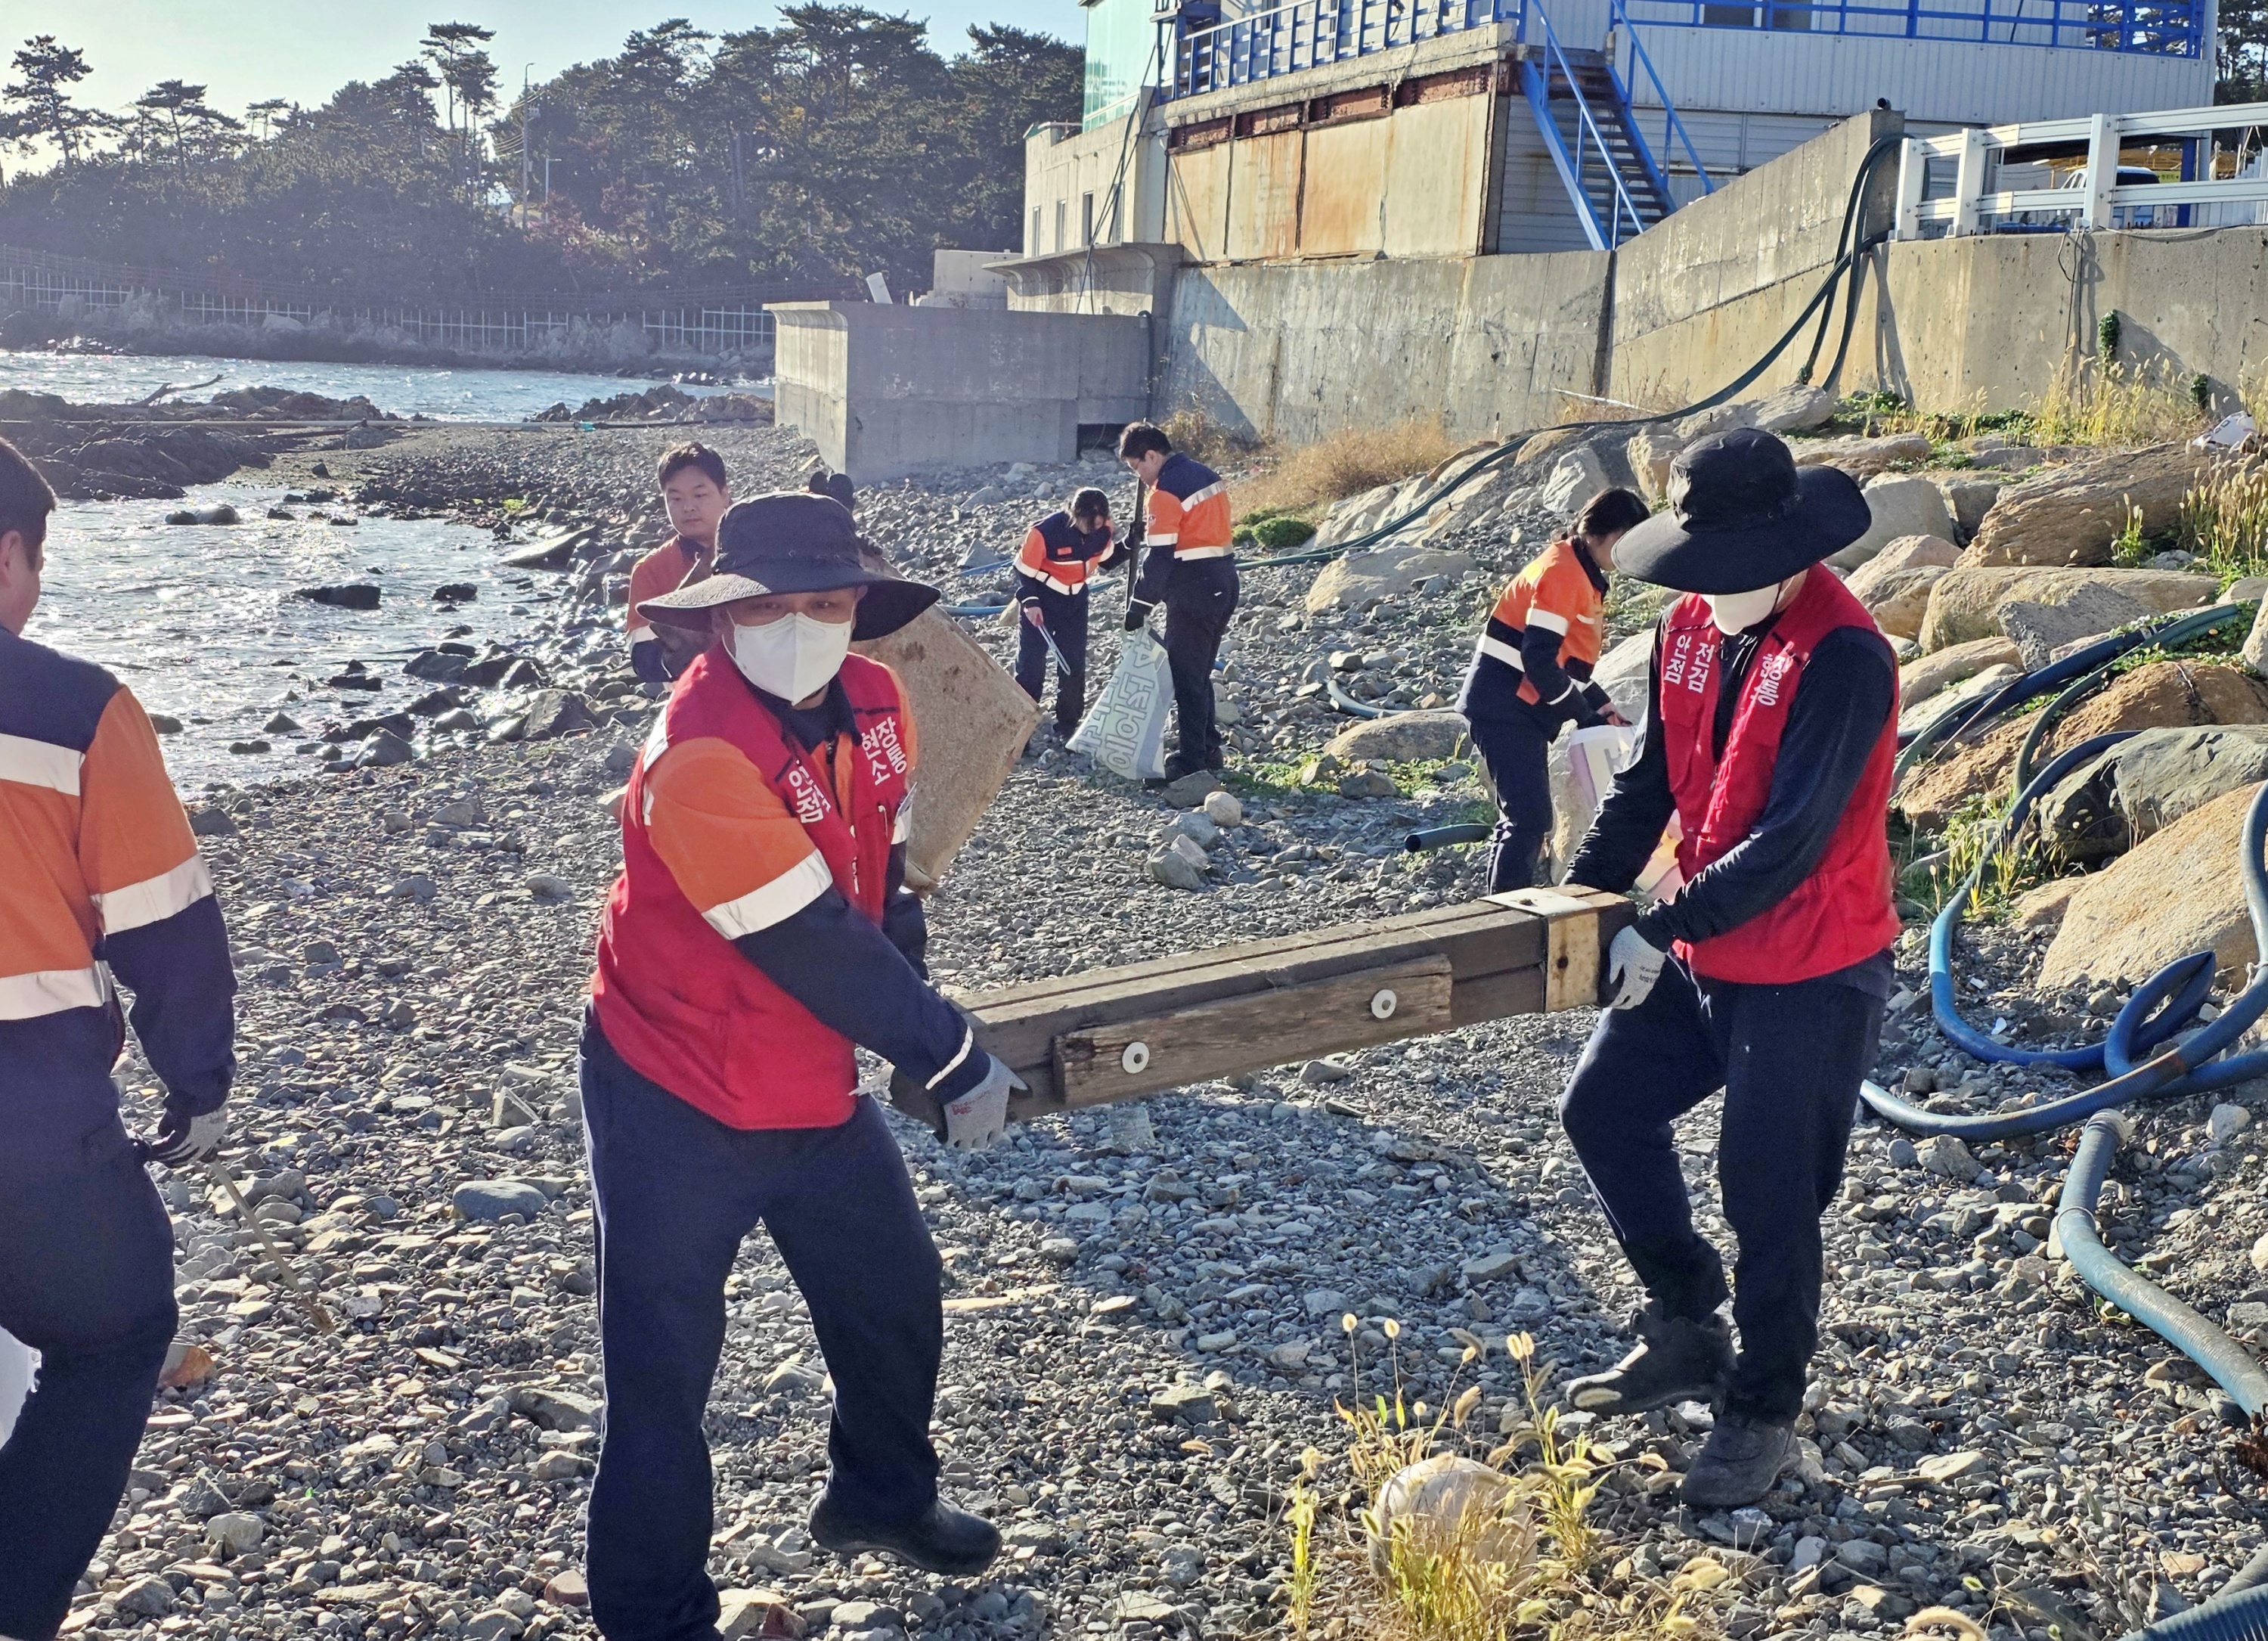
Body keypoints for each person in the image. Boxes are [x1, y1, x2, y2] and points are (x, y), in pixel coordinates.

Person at [581, 492, 1020, 1641]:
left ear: (859, 611)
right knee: (664, 1372)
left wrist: (920, 1008)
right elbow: (812, 941)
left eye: (827, 604)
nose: (803, 624)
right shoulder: (696, 754)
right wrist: (950, 1049)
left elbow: (883, 891)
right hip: (672, 1084)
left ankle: (881, 1494)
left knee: (895, 1297)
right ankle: (653, 1614)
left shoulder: (881, 701)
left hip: (811, 1081)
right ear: (724, 615)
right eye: (773, 604)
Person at [1554, 428, 1897, 1509]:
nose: (1721, 587)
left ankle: (1761, 1411)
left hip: (1810, 963)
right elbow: (1654, 776)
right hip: (1707, 946)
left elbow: (1793, 835)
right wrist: (1581, 892)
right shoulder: (1691, 626)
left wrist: (1655, 927)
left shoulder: (1845, 655)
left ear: (1791, 547)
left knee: (1770, 1185)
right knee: (1602, 1109)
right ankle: (1687, 1319)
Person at [0, 436, 237, 1637]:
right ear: (9, 559)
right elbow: (166, 927)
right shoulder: (75, 708)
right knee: (117, 1327)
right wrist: (197, 1084)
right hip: (27, 1104)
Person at [1458, 488, 1648, 892]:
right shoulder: (1565, 573)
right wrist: (1583, 715)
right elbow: (1539, 659)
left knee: (1524, 816)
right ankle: (1502, 920)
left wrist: (1599, 704)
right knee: (1528, 818)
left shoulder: (1578, 570)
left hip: (1514, 705)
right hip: (1505, 705)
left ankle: (1506, 910)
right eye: (1625, 541)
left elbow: (1566, 662)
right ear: (1602, 534)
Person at [1118, 422, 1236, 781]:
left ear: (1151, 455)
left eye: (1138, 468)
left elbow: (1160, 558)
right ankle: (1208, 747)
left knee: (1186, 675)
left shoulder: (1165, 491)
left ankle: (1191, 762)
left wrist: (1139, 605)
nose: (1141, 478)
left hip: (1193, 589)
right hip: (1223, 581)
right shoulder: (1204, 474)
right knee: (1199, 672)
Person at [1013, 487, 1120, 740]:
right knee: (1031, 666)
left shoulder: (1103, 529)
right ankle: (1020, 730)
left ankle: (1068, 724)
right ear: (1074, 515)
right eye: (1087, 523)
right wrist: (1030, 602)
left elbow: (1106, 560)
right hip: (1043, 599)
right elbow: (1022, 572)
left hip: (1076, 601)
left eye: (1098, 523)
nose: (1092, 529)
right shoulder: (1044, 533)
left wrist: (1130, 542)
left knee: (1073, 663)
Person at [626, 443, 733, 684]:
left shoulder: (761, 547)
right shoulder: (650, 570)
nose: (688, 507)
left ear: (724, 494)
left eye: (699, 495)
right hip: (696, 693)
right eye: (675, 498)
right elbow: (645, 661)